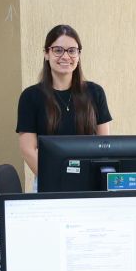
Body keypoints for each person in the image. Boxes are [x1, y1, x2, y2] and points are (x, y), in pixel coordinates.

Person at [16, 23, 112, 176]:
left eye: (72, 51)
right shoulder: (30, 96)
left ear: (78, 55)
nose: (66, 56)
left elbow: (104, 145)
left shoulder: (95, 93)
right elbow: (27, 149)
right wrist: (53, 179)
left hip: (89, 180)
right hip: (49, 180)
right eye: (58, 50)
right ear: (46, 54)